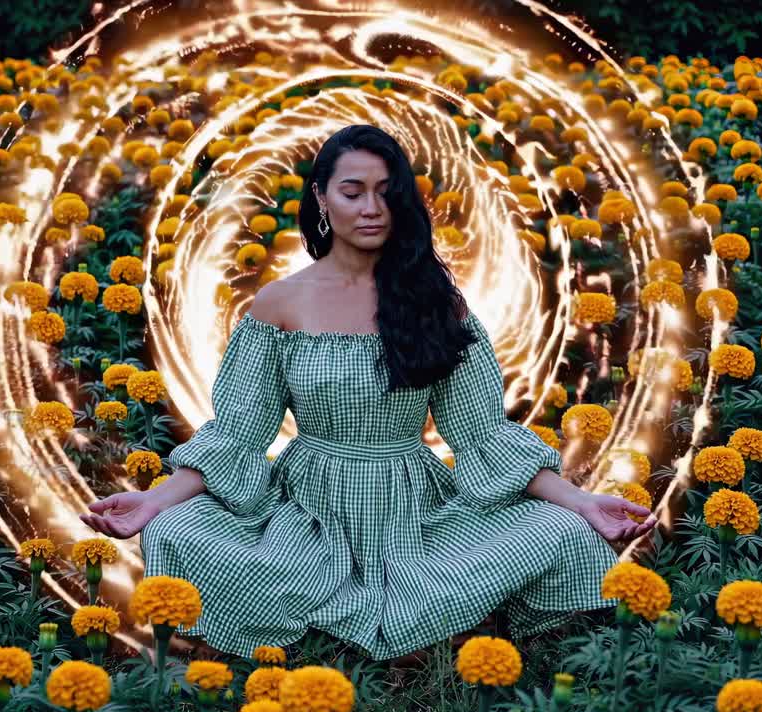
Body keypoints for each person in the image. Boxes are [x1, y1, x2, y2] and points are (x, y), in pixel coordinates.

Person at [79, 124, 656, 664]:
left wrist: (583, 503)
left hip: (415, 508)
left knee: (562, 529)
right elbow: (237, 435)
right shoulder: (279, 304)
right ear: (322, 198)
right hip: (305, 510)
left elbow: (483, 437)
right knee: (176, 528)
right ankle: (411, 628)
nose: (371, 208)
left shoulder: (436, 302)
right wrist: (154, 501)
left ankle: (383, 624)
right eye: (353, 191)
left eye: (386, 192)